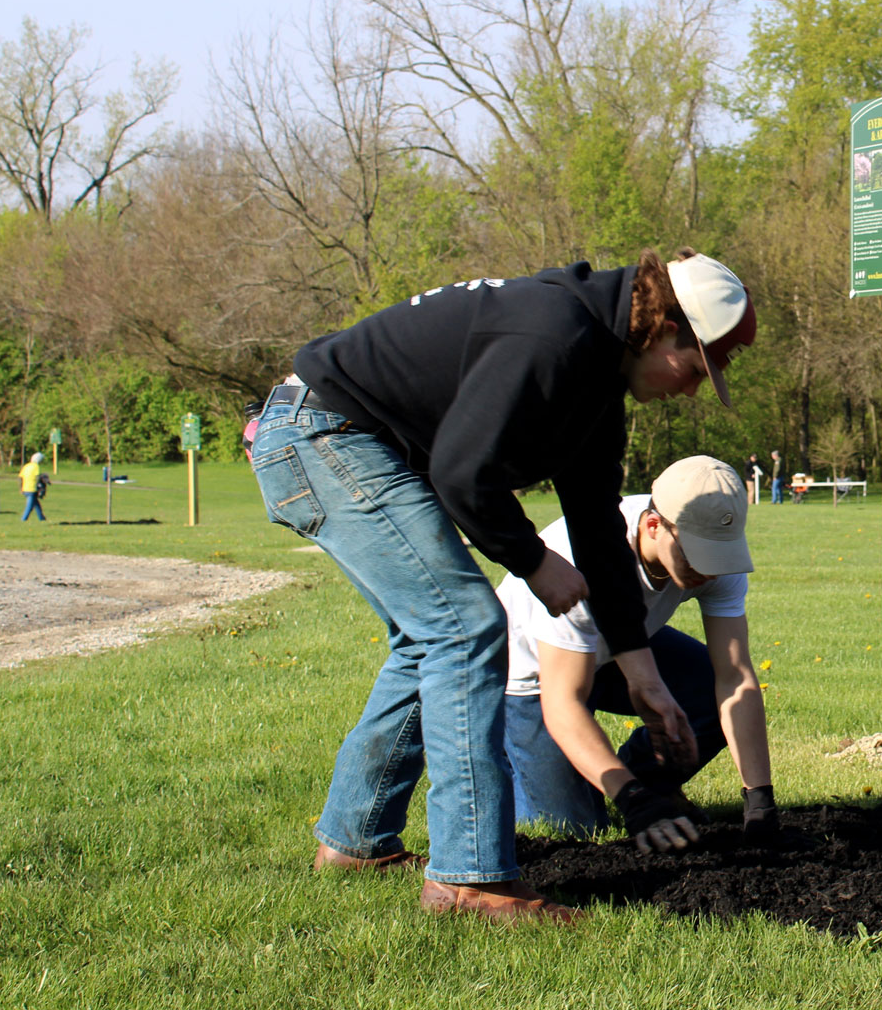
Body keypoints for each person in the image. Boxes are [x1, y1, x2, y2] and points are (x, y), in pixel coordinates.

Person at [249, 249, 755, 922]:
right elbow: (462, 473)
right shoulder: (554, 336)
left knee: (429, 639)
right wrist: (532, 560)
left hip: (344, 440)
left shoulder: (595, 374)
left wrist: (642, 672)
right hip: (321, 433)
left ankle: (355, 841)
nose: (691, 389)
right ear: (665, 332)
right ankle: (469, 879)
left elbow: (600, 531)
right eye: (695, 369)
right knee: (465, 627)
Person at [499, 456, 776, 849]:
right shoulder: (581, 557)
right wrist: (629, 800)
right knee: (572, 828)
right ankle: (508, 760)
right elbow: (562, 702)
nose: (711, 571)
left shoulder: (716, 556)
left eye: (719, 556)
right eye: (698, 555)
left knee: (708, 688)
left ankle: (645, 780)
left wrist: (759, 800)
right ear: (652, 526)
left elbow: (735, 678)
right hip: (534, 672)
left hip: (623, 648)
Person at [18, 451, 47, 522]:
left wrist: (20, 488)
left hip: (25, 488)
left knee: (36, 504)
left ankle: (42, 518)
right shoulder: (36, 466)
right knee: (29, 506)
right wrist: (40, 487)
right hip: (32, 489)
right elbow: (37, 477)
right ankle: (23, 519)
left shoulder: (26, 466)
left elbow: (20, 478)